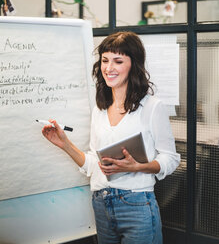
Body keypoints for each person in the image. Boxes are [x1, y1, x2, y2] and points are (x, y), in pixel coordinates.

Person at [42, 31, 180, 244]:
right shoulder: (100, 109)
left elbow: (171, 159)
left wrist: (137, 167)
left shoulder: (152, 107)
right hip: (101, 203)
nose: (108, 68)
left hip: (137, 204)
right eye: (105, 60)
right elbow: (94, 164)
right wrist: (64, 144)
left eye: (118, 61)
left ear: (133, 65)